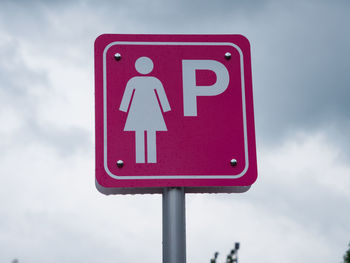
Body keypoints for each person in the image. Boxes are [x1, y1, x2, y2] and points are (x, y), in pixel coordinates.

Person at [119, 56, 171, 163]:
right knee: (141, 133)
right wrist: (123, 109)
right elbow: (127, 95)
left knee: (149, 133)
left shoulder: (151, 81)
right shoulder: (136, 81)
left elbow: (161, 95)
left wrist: (166, 108)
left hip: (148, 110)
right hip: (142, 110)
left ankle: (150, 160)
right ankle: (141, 160)